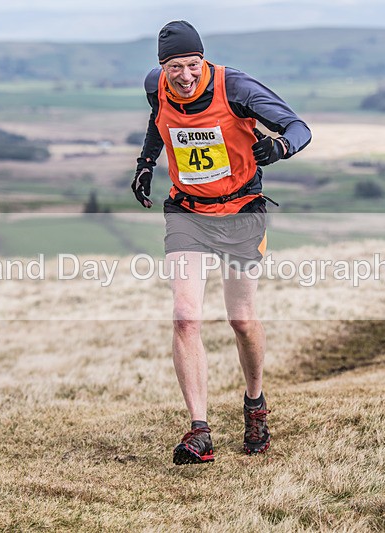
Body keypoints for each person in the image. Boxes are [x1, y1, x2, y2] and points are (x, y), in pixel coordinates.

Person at [131, 20, 311, 464]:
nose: (185, 76)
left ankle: (255, 405)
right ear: (162, 67)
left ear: (202, 60)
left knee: (241, 320)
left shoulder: (236, 87)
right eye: (176, 67)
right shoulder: (157, 86)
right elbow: (159, 123)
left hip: (241, 210)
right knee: (185, 317)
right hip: (188, 212)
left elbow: (299, 127)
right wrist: (146, 164)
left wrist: (281, 148)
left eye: (192, 65)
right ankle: (199, 430)